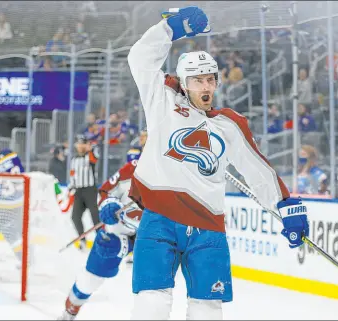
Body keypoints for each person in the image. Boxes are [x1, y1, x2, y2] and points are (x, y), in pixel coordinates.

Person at [127, 6, 310, 320]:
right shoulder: (163, 101)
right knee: (152, 303)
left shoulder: (229, 125)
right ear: (184, 83)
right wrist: (171, 28)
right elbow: (140, 58)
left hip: (208, 226)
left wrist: (285, 206)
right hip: (159, 218)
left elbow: (256, 168)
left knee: (208, 308)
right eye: (198, 80)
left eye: (211, 79)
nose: (207, 86)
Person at [57, 152, 143, 320]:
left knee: (155, 291)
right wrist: (109, 205)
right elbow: (106, 191)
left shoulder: (178, 174)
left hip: (154, 236)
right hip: (121, 232)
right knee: (93, 276)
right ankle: (71, 309)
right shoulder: (133, 168)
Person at [0, 133, 26, 263]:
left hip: (3, 205)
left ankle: (23, 259)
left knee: (9, 233)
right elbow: (22, 171)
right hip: (20, 200)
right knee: (21, 231)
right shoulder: (10, 154)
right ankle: (30, 257)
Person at [68, 134, 100, 251]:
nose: (80, 146)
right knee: (75, 217)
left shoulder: (90, 156)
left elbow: (95, 156)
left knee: (95, 216)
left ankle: (100, 239)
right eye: (78, 144)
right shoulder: (74, 160)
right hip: (79, 191)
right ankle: (82, 240)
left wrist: (90, 148)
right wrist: (71, 187)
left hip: (90, 190)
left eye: (83, 143)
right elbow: (72, 175)